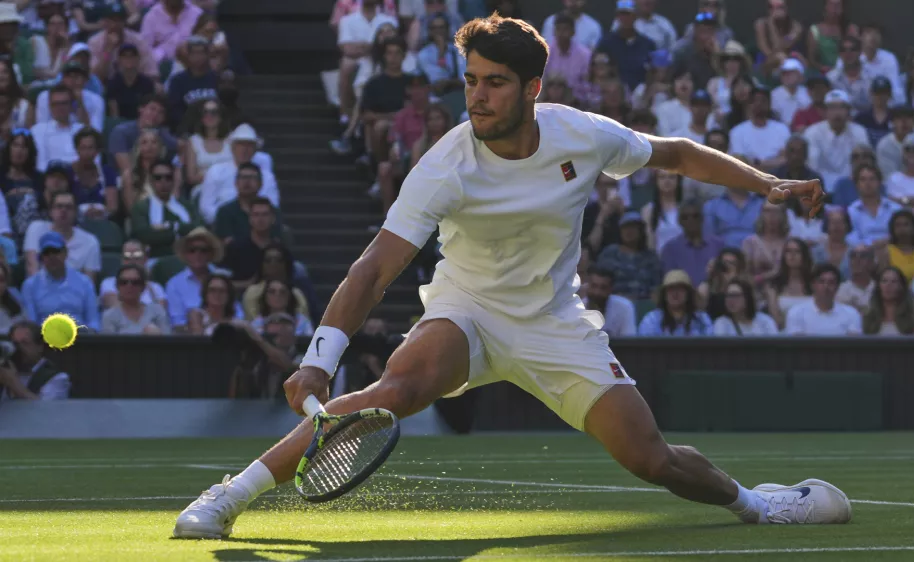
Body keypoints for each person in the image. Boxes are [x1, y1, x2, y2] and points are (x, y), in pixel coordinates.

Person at [173, 15, 845, 539]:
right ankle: (228, 497)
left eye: (493, 82)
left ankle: (760, 505)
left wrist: (768, 183)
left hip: (552, 321)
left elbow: (674, 153)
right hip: (465, 309)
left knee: (650, 458)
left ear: (531, 89)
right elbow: (376, 265)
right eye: (470, 80)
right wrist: (320, 359)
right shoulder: (444, 165)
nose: (477, 96)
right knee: (396, 388)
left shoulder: (582, 135)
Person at [21, 231, 100, 330]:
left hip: (80, 339)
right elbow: (31, 324)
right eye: (47, 253)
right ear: (41, 258)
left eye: (56, 251)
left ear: (65, 253)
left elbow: (93, 321)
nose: (52, 257)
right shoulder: (30, 285)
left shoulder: (84, 282)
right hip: (45, 340)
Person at [130, 158, 201, 259]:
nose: (163, 182)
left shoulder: (187, 205)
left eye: (168, 177)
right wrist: (179, 229)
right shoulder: (141, 207)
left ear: (173, 180)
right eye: (158, 178)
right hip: (154, 259)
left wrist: (167, 228)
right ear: (150, 180)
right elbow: (144, 236)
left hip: (189, 259)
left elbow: (198, 229)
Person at [23, 190, 101, 281]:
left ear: (76, 212)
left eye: (69, 207)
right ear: (50, 211)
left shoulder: (90, 241)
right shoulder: (36, 228)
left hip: (73, 292)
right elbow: (32, 270)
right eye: (59, 206)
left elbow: (89, 281)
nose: (63, 210)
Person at [0, 320, 70, 401]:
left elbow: (47, 411)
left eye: (25, 343)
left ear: (40, 346)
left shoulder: (57, 378)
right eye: (15, 344)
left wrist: (13, 383)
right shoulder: (5, 370)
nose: (19, 349)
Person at [784, 263, 861, 335]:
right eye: (821, 281)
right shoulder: (796, 313)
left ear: (837, 287)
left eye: (831, 282)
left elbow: (853, 347)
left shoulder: (851, 314)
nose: (826, 286)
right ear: (813, 285)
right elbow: (796, 346)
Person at [638, 270, 713, 336]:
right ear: (664, 295)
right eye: (671, 289)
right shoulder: (651, 320)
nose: (675, 293)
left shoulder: (702, 319)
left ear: (688, 294)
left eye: (680, 289)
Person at [100, 264, 171, 335]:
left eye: (135, 282)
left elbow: (168, 340)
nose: (129, 286)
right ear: (117, 286)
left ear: (143, 287)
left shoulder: (157, 311)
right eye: (123, 282)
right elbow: (108, 345)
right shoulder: (110, 316)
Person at [99, 240, 167, 310]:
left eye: (137, 256)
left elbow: (160, 314)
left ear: (145, 259)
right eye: (127, 256)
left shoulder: (156, 288)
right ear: (122, 260)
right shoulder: (108, 283)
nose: (132, 261)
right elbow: (117, 309)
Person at [763, 238, 813, 329]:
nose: (792, 255)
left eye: (797, 251)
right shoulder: (773, 285)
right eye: (788, 251)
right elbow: (776, 319)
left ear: (805, 256)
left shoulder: (815, 283)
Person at [862, 266, 914, 336]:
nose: (888, 285)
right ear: (879, 286)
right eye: (884, 281)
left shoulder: (913, 317)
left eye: (894, 281)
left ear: (901, 286)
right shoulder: (869, 318)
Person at [581, 266, 636, 338]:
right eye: (594, 286)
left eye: (603, 288)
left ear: (611, 289)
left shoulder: (624, 308)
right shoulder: (577, 308)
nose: (597, 292)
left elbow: (630, 342)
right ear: (587, 286)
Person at [712, 278, 778, 336]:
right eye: (727, 296)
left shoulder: (765, 321)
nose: (730, 300)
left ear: (747, 298)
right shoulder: (722, 323)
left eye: (735, 295)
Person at [249, 278, 314, 337]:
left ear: (289, 296)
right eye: (272, 291)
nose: (277, 295)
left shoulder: (303, 322)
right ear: (265, 297)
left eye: (282, 292)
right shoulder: (256, 324)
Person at [883, 209, 914, 282]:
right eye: (898, 225)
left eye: (906, 224)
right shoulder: (886, 253)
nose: (902, 229)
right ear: (892, 229)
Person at [187, 272, 239, 336]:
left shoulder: (236, 322)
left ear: (229, 295)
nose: (217, 294)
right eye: (212, 290)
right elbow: (198, 340)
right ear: (205, 294)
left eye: (222, 291)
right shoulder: (197, 315)